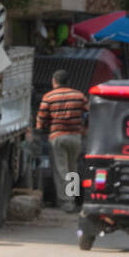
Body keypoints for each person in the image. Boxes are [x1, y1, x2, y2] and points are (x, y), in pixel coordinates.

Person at [34, 69, 88, 213]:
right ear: (68, 82)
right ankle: (73, 199)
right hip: (76, 137)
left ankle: (66, 202)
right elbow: (89, 112)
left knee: (61, 169)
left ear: (54, 81)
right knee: (73, 169)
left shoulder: (49, 96)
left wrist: (40, 129)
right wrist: (85, 128)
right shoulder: (79, 95)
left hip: (57, 137)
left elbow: (41, 118)